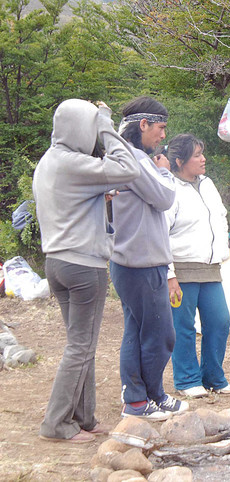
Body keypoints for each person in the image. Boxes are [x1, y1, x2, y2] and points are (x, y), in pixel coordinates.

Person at [34, 99, 140, 443]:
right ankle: (56, 423)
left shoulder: (49, 162)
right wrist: (106, 124)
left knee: (82, 345)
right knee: (80, 347)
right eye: (90, 127)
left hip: (57, 263)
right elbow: (128, 167)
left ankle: (84, 416)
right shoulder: (74, 163)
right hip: (83, 265)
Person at [111, 96, 188, 419]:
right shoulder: (135, 161)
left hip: (136, 260)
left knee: (139, 330)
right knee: (159, 334)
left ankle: (148, 396)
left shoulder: (131, 158)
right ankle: (138, 400)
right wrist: (165, 173)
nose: (162, 136)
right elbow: (164, 197)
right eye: (160, 128)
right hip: (139, 262)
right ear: (142, 125)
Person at [165, 134, 230, 398]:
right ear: (180, 160)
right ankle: (186, 380)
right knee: (182, 326)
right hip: (180, 270)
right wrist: (169, 275)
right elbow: (160, 233)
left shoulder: (207, 184)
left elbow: (220, 216)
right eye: (197, 155)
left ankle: (214, 377)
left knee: (219, 321)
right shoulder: (169, 187)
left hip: (210, 269)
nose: (203, 159)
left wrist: (223, 250)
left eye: (202, 153)